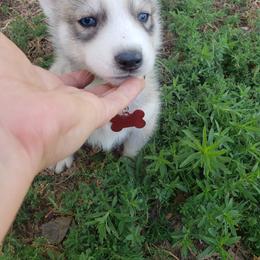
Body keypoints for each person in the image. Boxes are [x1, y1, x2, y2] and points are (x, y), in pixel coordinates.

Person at [0, 33, 144, 243]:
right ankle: (66, 149)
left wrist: (131, 155)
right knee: (67, 116)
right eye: (88, 21)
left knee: (138, 129)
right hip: (73, 82)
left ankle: (130, 154)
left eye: (142, 16)